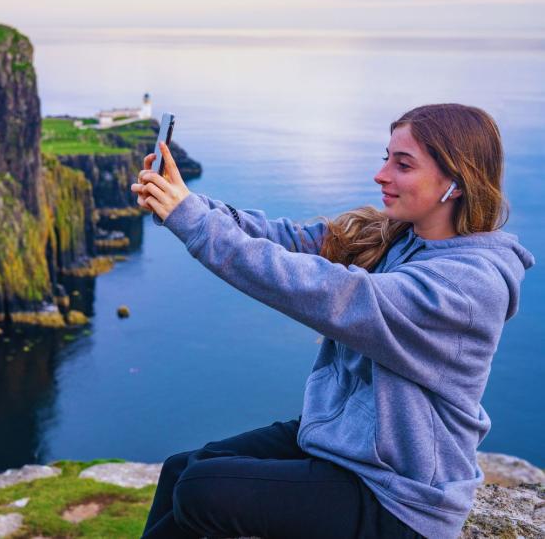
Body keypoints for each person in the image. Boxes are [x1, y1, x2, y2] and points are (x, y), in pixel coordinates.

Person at [129, 103, 535, 539]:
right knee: (178, 469)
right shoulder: (396, 234)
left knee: (200, 489)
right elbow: (290, 242)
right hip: (345, 442)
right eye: (386, 158)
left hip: (399, 494)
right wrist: (187, 204)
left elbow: (326, 291)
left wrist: (192, 222)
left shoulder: (467, 289)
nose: (382, 175)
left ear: (455, 181)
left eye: (403, 165)